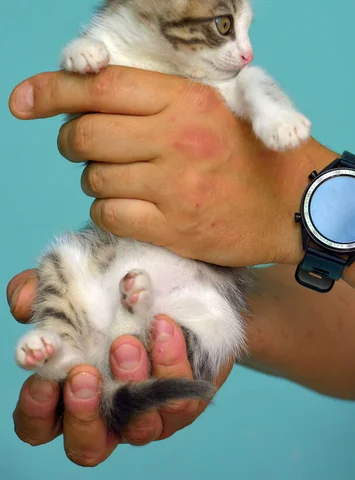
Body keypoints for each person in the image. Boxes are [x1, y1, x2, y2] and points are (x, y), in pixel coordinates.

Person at [7, 67, 355, 467]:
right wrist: (223, 310)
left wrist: (298, 186)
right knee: (63, 264)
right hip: (149, 285)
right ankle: (77, 353)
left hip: (142, 289)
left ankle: (100, 343)